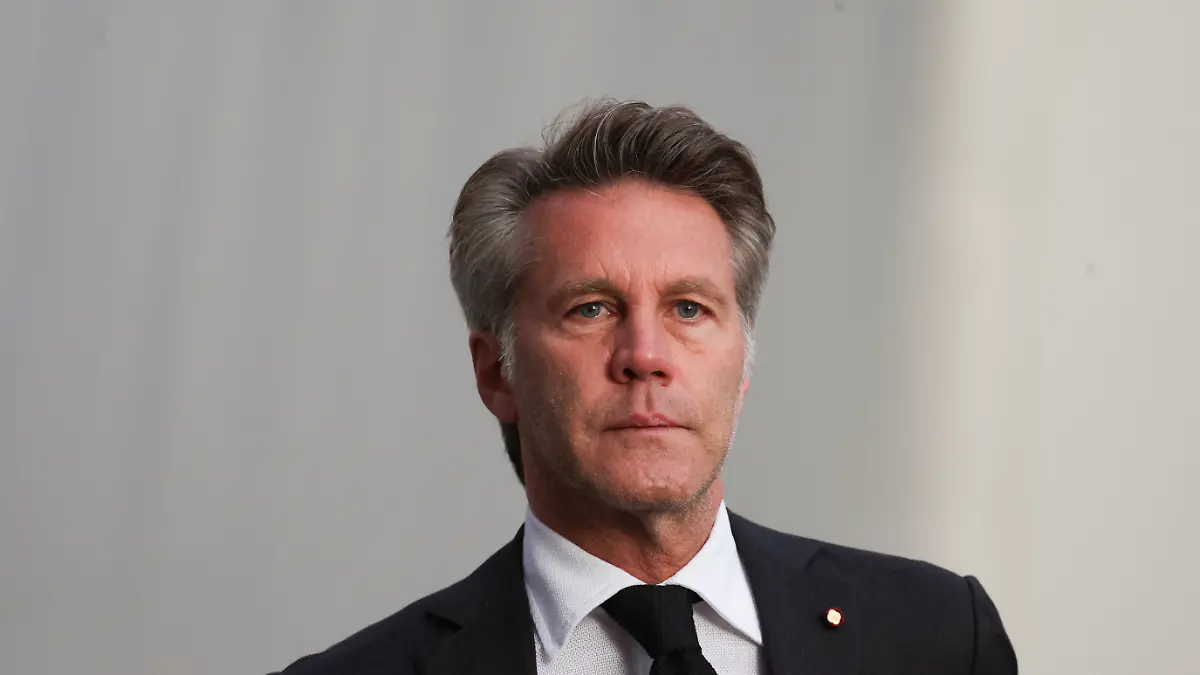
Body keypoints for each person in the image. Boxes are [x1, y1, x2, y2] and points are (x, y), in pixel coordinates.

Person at [269, 99, 1017, 674]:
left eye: (689, 308)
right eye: (590, 308)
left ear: (742, 365)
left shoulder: (940, 637)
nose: (646, 356)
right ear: (497, 371)